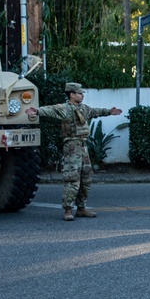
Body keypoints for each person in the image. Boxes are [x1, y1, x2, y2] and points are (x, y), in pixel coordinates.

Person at [27, 83, 122, 221]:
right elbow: (50, 110)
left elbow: (95, 111)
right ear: (71, 94)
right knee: (72, 178)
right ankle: (68, 209)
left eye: (82, 93)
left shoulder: (83, 108)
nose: (82, 95)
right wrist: (37, 111)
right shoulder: (64, 108)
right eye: (79, 93)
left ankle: (81, 208)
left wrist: (109, 111)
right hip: (72, 146)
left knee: (86, 177)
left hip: (83, 147)